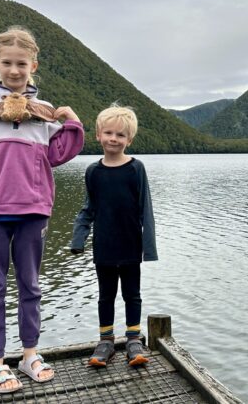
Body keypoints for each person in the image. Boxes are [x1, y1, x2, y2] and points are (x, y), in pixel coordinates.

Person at [0, 26, 84, 394]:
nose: (14, 70)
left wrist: (72, 125)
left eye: (21, 63)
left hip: (34, 209)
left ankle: (29, 355)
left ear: (33, 65)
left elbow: (57, 157)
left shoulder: (45, 114)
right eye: (7, 63)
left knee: (31, 286)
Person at [70, 105, 157, 368]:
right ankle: (105, 342)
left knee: (133, 294)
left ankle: (133, 340)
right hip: (104, 246)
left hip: (131, 245)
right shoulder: (93, 172)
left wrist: (149, 249)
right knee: (105, 295)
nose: (113, 139)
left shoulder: (135, 169)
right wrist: (78, 238)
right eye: (108, 133)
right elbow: (89, 207)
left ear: (129, 140)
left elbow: (146, 208)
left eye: (120, 135)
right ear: (98, 134)